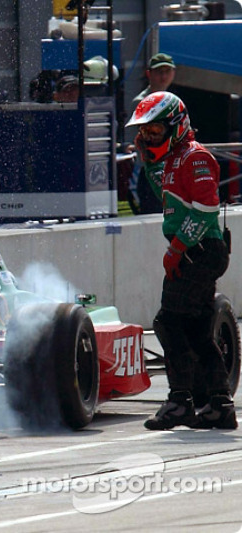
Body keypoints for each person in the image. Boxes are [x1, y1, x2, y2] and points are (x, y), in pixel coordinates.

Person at [126, 92, 236, 431]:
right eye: (144, 132)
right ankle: (218, 405)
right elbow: (167, 190)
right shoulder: (172, 160)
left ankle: (180, 401)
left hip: (200, 250)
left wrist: (176, 249)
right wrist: (148, 161)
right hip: (193, 249)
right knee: (198, 330)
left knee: (168, 323)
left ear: (177, 126)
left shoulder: (195, 157)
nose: (148, 138)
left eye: (155, 131)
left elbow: (205, 210)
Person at [127, 54, 178, 215]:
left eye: (167, 71)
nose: (163, 76)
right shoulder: (142, 102)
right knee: (153, 218)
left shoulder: (174, 101)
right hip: (151, 172)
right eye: (159, 72)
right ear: (149, 74)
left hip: (172, 172)